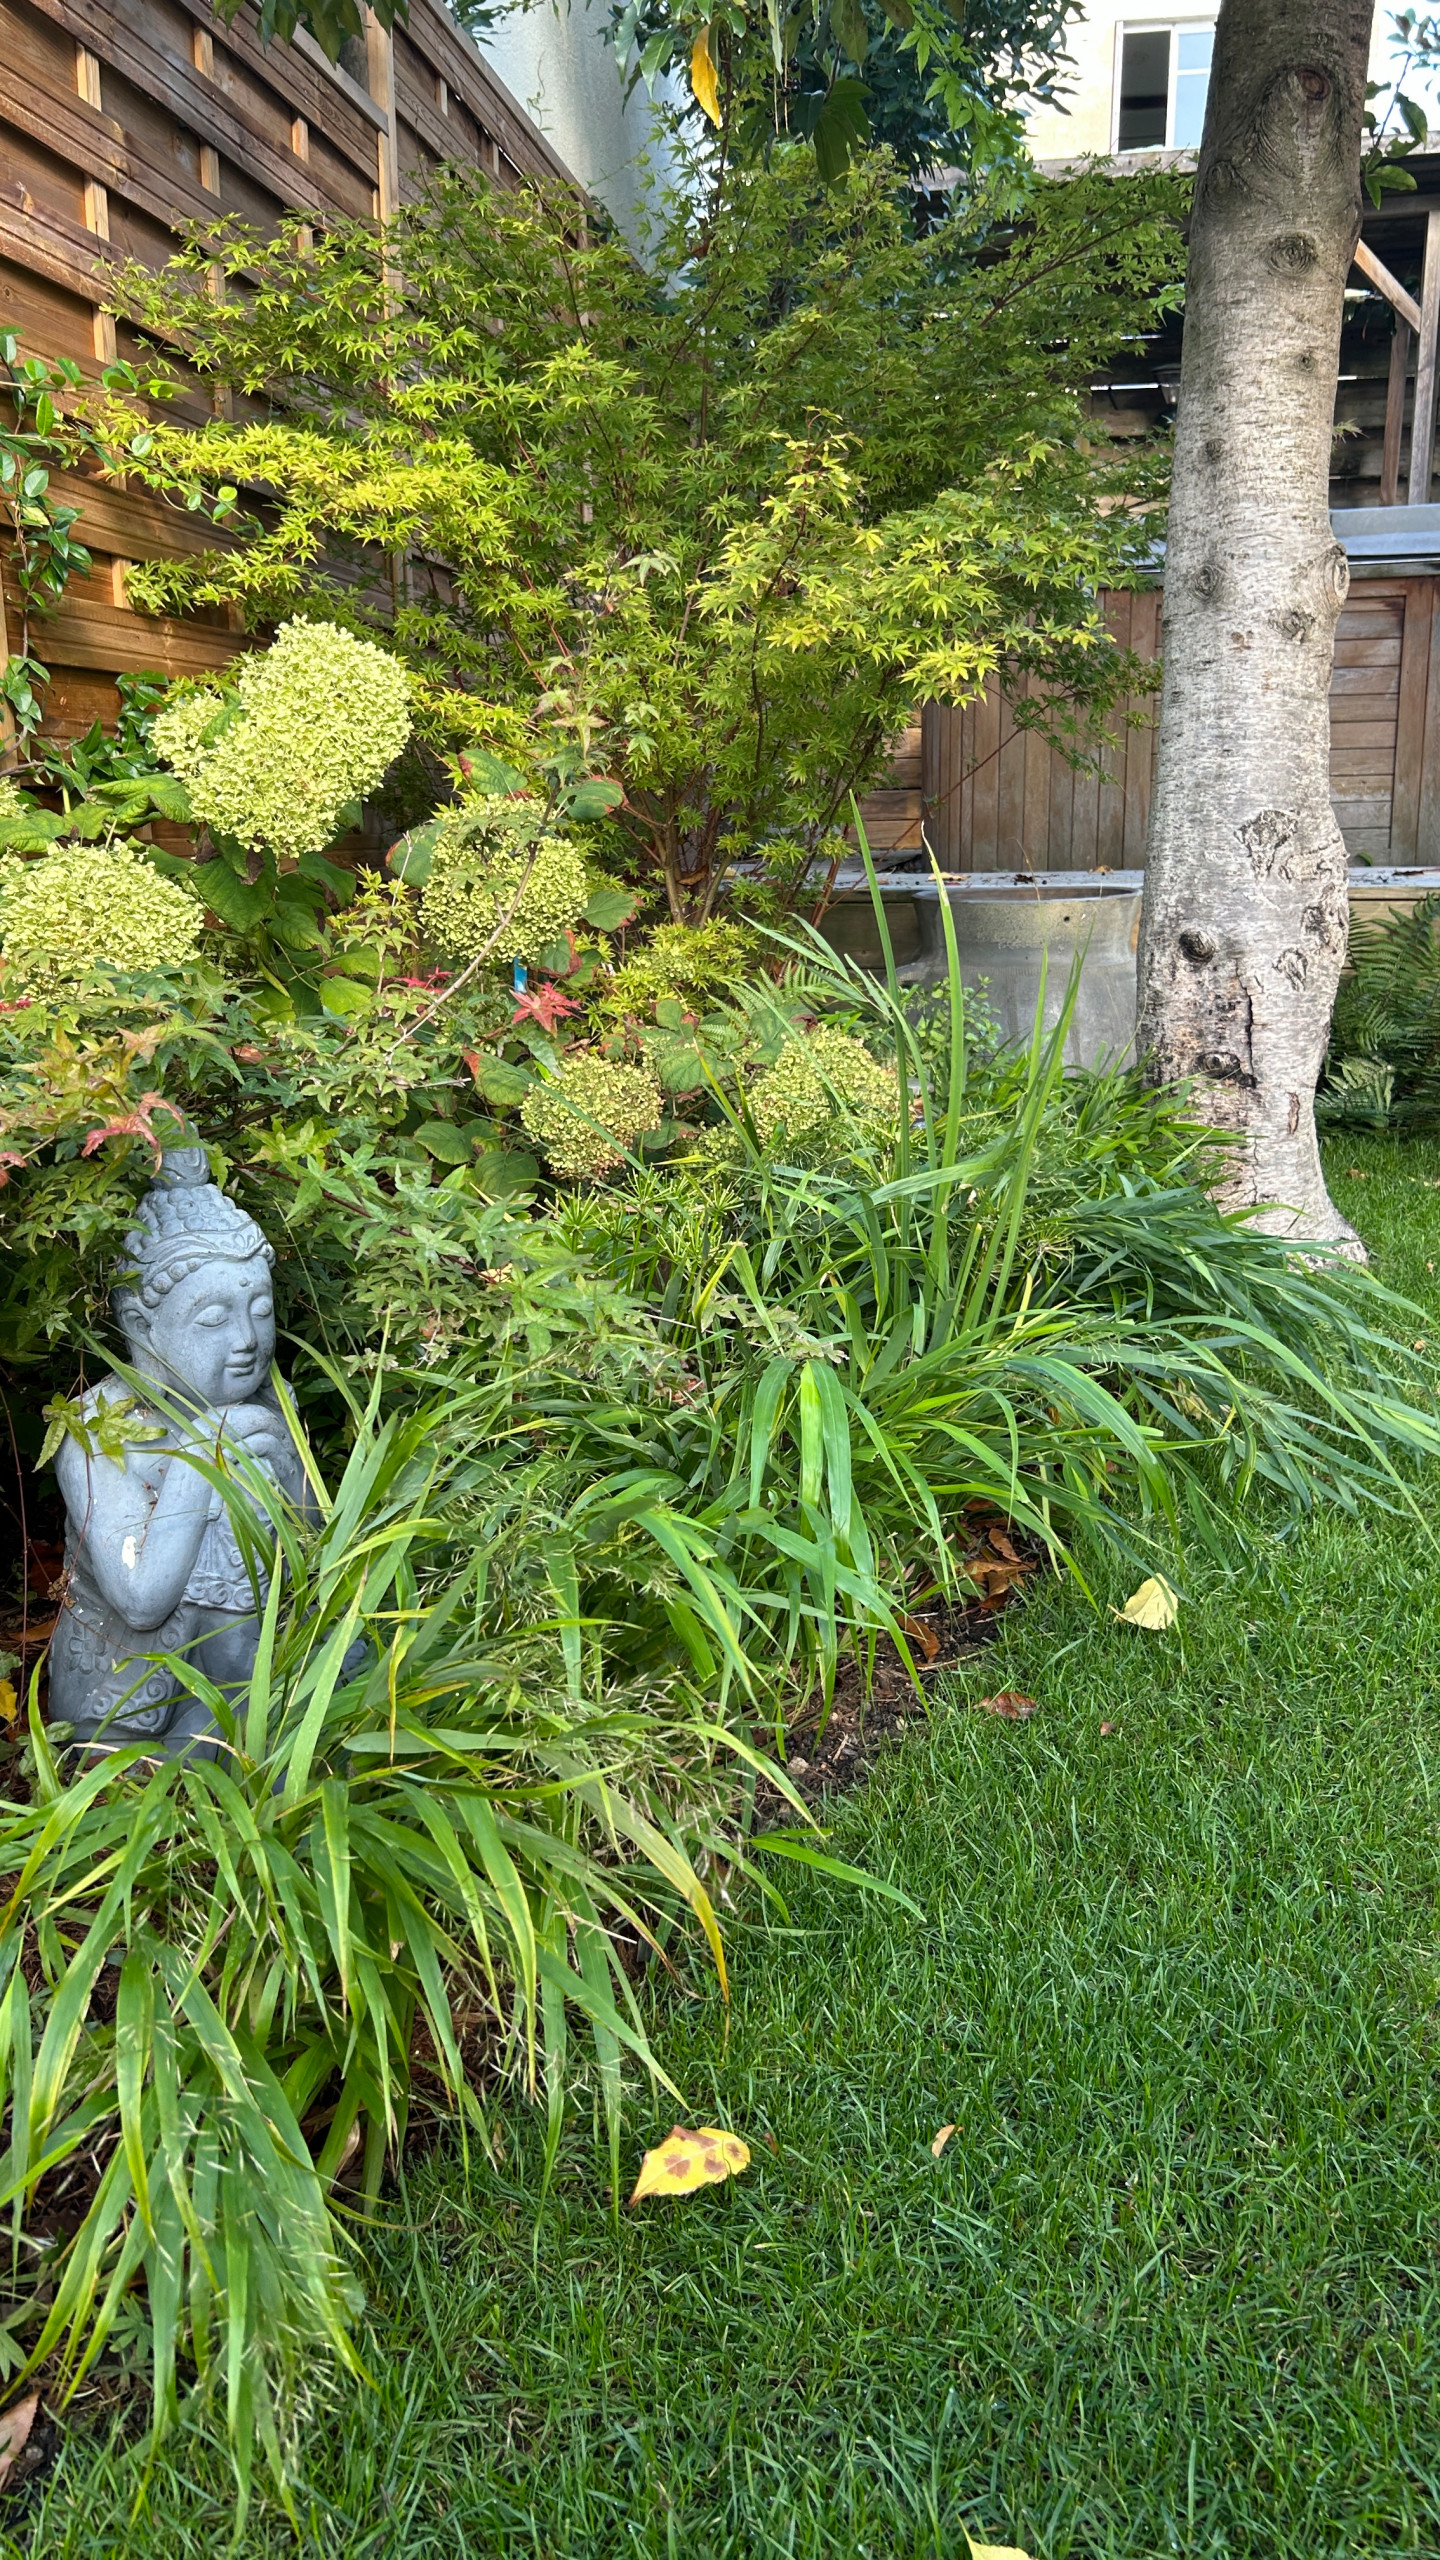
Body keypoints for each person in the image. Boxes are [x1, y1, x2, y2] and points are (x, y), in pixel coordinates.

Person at [48, 1143, 310, 1755]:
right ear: (142, 1328)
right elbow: (141, 1600)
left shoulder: (271, 1403)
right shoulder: (98, 1428)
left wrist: (285, 1459)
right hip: (133, 1705)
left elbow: (310, 1550)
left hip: (251, 1677)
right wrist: (200, 1458)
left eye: (261, 1311)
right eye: (214, 1320)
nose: (247, 1341)